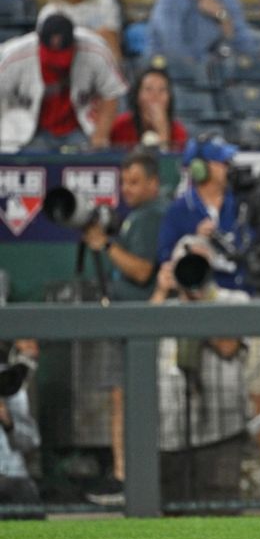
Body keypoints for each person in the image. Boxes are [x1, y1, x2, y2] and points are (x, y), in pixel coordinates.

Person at [81, 148, 167, 505]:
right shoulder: (134, 216)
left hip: (142, 319)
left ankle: (129, 477)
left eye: (135, 181)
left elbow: (143, 270)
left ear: (153, 183)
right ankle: (122, 475)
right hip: (128, 319)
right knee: (120, 397)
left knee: (131, 398)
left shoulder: (150, 216)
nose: (127, 188)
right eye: (124, 181)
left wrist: (105, 245)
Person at [150, 236, 250, 505]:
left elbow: (228, 347)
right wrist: (161, 291)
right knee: (170, 520)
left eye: (199, 264)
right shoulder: (164, 308)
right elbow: (140, 342)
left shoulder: (233, 301)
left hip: (219, 430)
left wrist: (198, 304)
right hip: (169, 432)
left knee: (221, 515)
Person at [0, 13, 127, 153]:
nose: (57, 65)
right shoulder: (14, 55)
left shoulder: (95, 50)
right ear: (39, 44)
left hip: (79, 128)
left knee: (87, 161)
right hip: (27, 130)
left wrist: (100, 137)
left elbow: (111, 93)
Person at [157, 134, 249, 291]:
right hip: (198, 297)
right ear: (200, 167)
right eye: (223, 162)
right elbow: (165, 258)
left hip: (241, 293)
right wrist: (194, 244)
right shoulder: (180, 209)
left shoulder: (241, 204)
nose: (228, 167)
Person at [147, 0, 255, 61]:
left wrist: (222, 15)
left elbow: (246, 46)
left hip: (220, 72)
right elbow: (174, 50)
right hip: (175, 73)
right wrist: (204, 70)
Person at [38, 0, 123, 59]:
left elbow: (113, 46)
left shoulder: (106, 3)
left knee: (108, 35)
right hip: (66, 67)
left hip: (101, 66)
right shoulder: (50, 12)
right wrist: (95, 36)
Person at [0, 339, 43, 519]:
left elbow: (31, 442)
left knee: (26, 494)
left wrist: (8, 422)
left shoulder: (9, 381)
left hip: (13, 476)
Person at [110, 67, 188, 151]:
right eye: (148, 89)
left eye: (162, 90)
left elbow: (168, 163)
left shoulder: (178, 132)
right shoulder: (119, 126)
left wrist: (162, 131)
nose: (155, 97)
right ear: (137, 96)